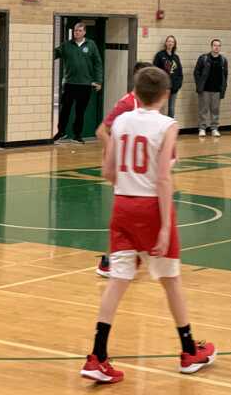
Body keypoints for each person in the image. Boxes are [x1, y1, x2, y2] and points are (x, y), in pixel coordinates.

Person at [80, 67, 215, 383]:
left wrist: (127, 179)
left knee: (117, 280)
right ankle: (188, 351)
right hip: (151, 207)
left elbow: (108, 172)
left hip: (122, 205)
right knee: (171, 280)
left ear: (135, 93)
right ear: (166, 95)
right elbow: (164, 178)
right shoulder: (167, 125)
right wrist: (165, 227)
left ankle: (97, 356)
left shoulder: (121, 122)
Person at [94, 61, 153, 277]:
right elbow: (101, 131)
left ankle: (128, 257)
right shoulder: (127, 103)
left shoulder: (146, 105)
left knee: (137, 216)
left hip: (136, 169)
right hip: (122, 167)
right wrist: (115, 154)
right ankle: (110, 261)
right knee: (128, 217)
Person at [53, 22, 103, 144]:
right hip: (69, 83)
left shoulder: (91, 45)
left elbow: (97, 63)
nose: (77, 33)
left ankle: (77, 135)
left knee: (80, 111)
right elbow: (54, 54)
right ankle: (61, 132)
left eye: (80, 31)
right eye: (76, 30)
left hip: (85, 84)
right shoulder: (66, 45)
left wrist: (98, 81)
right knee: (65, 110)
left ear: (84, 32)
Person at [194, 38, 228, 138]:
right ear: (211, 46)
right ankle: (202, 128)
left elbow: (225, 75)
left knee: (215, 110)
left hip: (217, 90)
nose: (216, 47)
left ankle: (214, 128)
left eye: (218, 45)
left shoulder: (223, 60)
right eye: (215, 45)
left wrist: (223, 87)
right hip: (205, 89)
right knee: (203, 110)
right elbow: (196, 72)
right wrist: (199, 85)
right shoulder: (203, 58)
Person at [153, 35, 183, 118]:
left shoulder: (176, 57)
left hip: (174, 87)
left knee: (171, 108)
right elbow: (155, 70)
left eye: (172, 42)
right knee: (159, 107)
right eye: (169, 41)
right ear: (166, 43)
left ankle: (170, 123)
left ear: (174, 44)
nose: (170, 43)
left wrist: (178, 84)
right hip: (163, 86)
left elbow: (180, 72)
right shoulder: (160, 55)